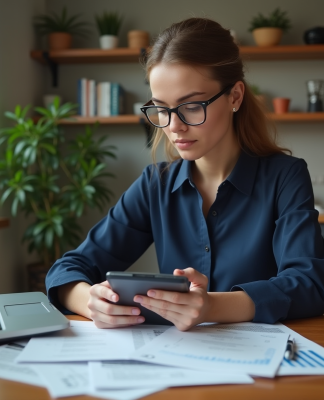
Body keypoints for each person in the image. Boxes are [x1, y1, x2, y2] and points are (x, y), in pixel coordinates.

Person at [46, 17, 324, 331]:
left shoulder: (285, 176)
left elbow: (309, 283)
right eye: (161, 109)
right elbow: (67, 269)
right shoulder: (155, 184)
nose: (174, 126)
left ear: (235, 96)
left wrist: (210, 306)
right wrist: (89, 301)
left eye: (191, 105)